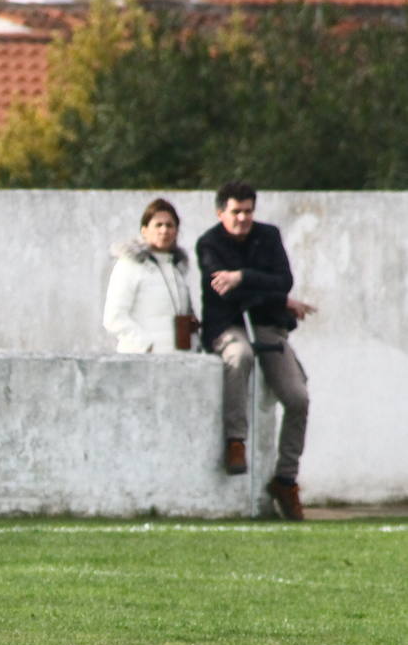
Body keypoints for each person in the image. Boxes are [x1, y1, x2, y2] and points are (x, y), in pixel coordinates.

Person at [196, 182, 316, 520]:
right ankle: (236, 440)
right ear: (221, 213)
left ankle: (285, 479)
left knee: (297, 398)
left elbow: (284, 280)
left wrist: (241, 276)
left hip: (268, 325)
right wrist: (270, 293)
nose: (243, 218)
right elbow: (226, 294)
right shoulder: (209, 243)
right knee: (240, 355)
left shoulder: (269, 235)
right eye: (236, 212)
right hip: (228, 325)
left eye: (248, 211)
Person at [103, 198, 197, 354]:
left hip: (177, 361)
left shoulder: (178, 268)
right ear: (144, 230)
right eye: (158, 225)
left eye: (169, 225)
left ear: (176, 231)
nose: (164, 230)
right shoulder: (130, 264)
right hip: (141, 360)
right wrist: (146, 346)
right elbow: (114, 317)